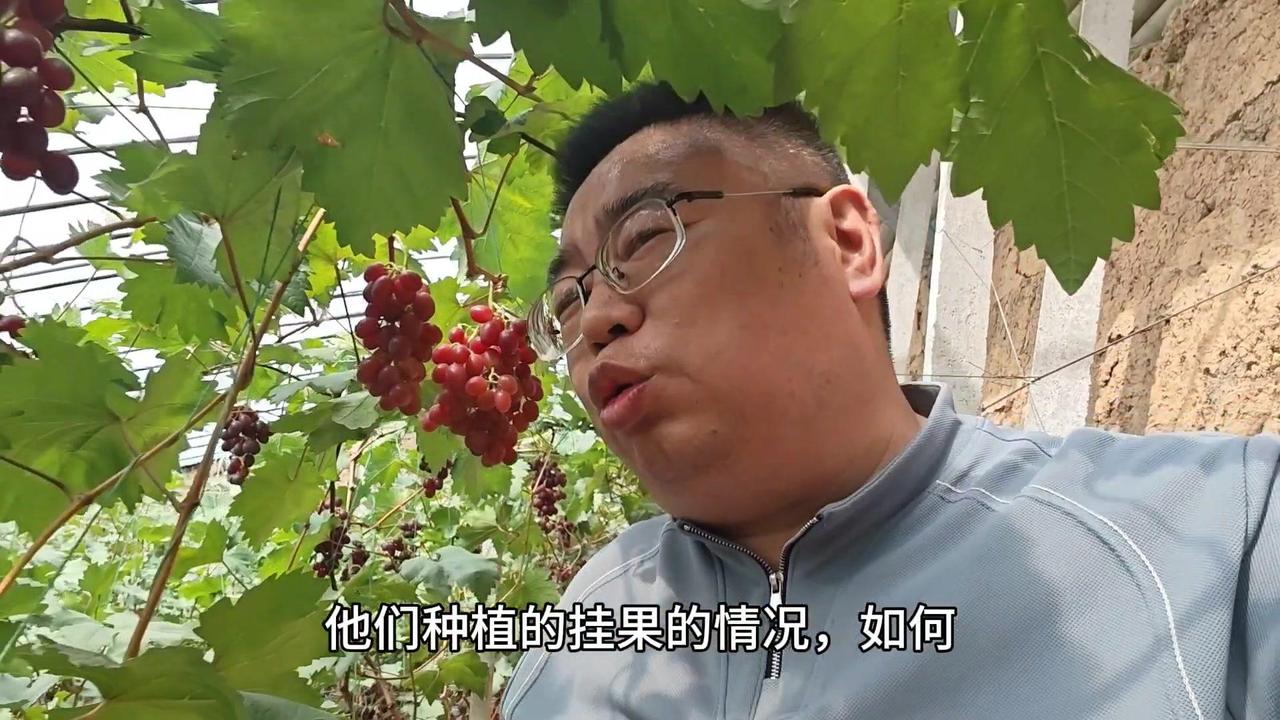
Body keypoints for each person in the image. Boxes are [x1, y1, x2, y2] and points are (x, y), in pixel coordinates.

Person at [500, 81, 1280, 720]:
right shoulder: (586, 619)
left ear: (846, 242)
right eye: (568, 300)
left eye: (643, 238)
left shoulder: (1224, 533)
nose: (594, 321)